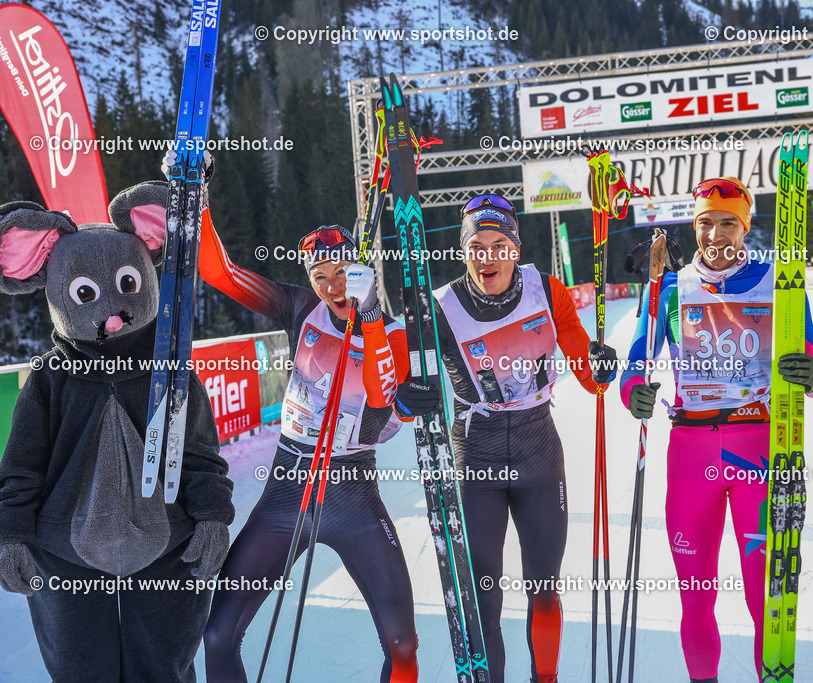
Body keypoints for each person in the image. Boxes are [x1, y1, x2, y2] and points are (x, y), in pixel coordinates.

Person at [185, 155, 417, 681]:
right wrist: (198, 200)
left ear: (360, 271)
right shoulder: (298, 309)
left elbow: (379, 408)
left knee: (403, 646)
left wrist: (371, 316)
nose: (333, 287)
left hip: (353, 496)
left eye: (342, 273)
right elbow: (219, 273)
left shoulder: (393, 334)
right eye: (320, 277)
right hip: (288, 490)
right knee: (217, 634)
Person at [0, 184, 234, 681]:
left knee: (165, 668)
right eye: (85, 293)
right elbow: (22, 466)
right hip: (64, 550)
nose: (110, 309)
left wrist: (212, 514)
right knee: (82, 669)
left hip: (168, 543)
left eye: (127, 284)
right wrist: (11, 532)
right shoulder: (49, 379)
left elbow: (200, 455)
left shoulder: (172, 374)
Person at [394, 195, 617, 683]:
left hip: (539, 454)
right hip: (478, 458)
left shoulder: (547, 291)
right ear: (463, 252)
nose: (488, 257)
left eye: (499, 246)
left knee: (545, 588)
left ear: (515, 249)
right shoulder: (439, 308)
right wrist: (403, 399)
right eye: (476, 247)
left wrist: (601, 365)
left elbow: (590, 377)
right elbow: (395, 386)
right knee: (482, 596)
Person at [619, 177, 813, 682]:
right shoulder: (668, 288)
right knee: (696, 598)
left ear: (746, 225)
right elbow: (635, 366)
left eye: (728, 223)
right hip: (691, 457)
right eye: (705, 223)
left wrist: (811, 374)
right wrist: (634, 392)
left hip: (760, 453)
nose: (715, 234)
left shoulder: (779, 283)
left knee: (766, 598)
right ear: (694, 226)